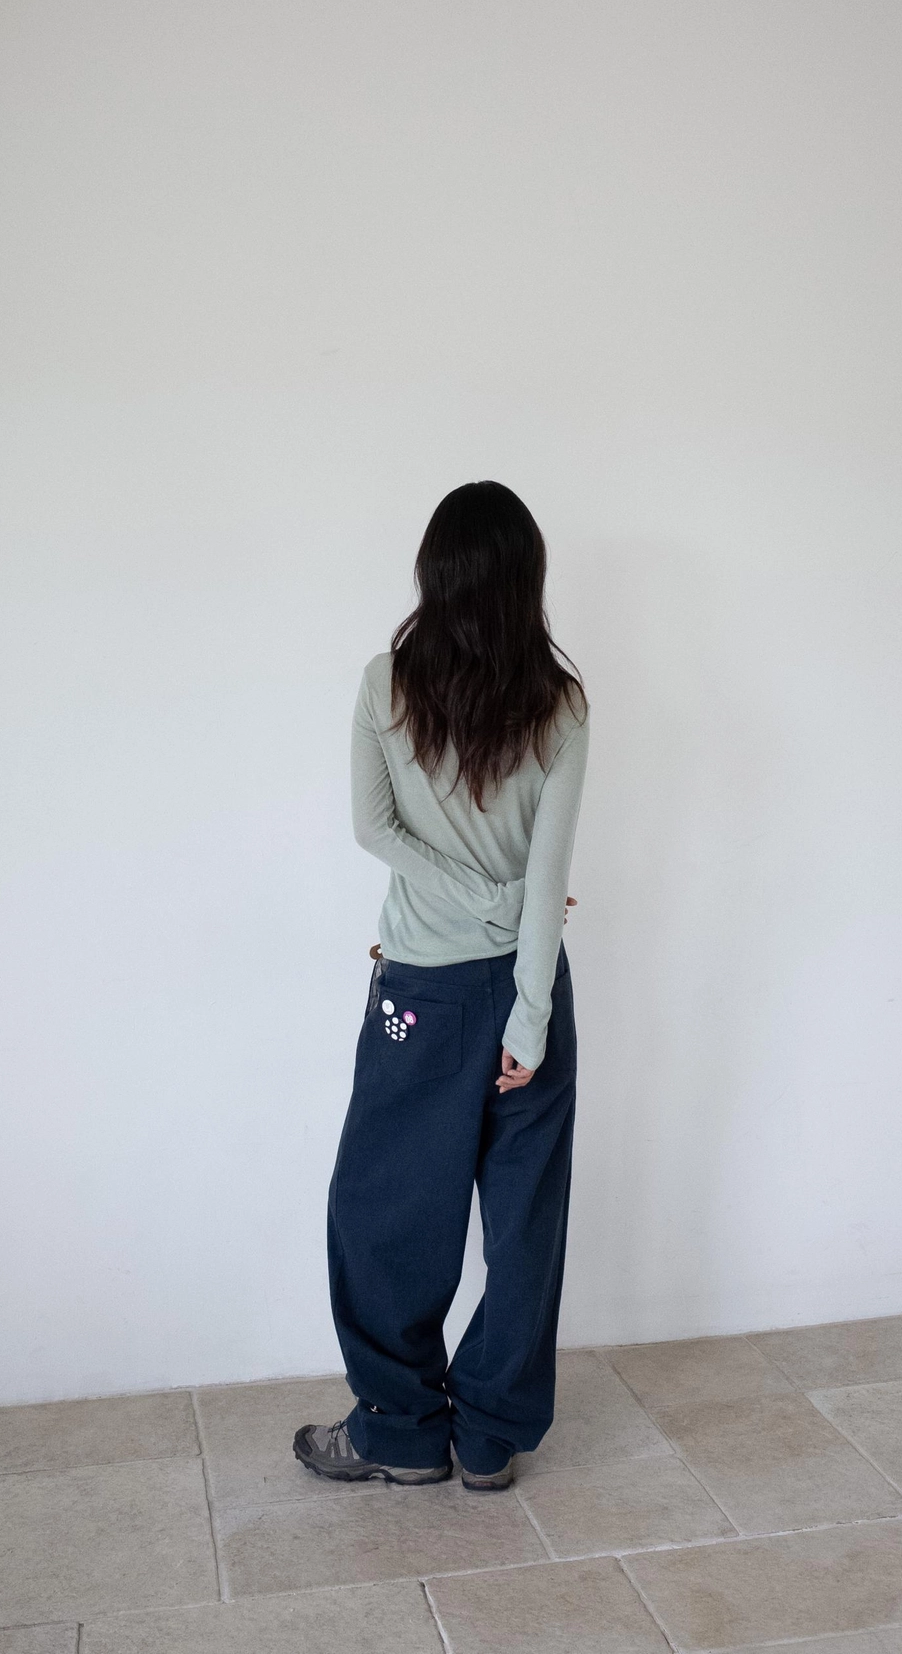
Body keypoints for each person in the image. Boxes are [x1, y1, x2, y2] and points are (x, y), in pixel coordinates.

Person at [294, 480, 589, 1492]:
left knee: (383, 1210)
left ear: (434, 572)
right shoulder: (560, 703)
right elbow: (544, 877)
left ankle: (400, 1427)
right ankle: (488, 1435)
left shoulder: (387, 684)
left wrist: (475, 901)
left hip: (418, 992)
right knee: (524, 1221)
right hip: (525, 987)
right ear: (526, 579)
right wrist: (531, 1014)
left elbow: (373, 828)